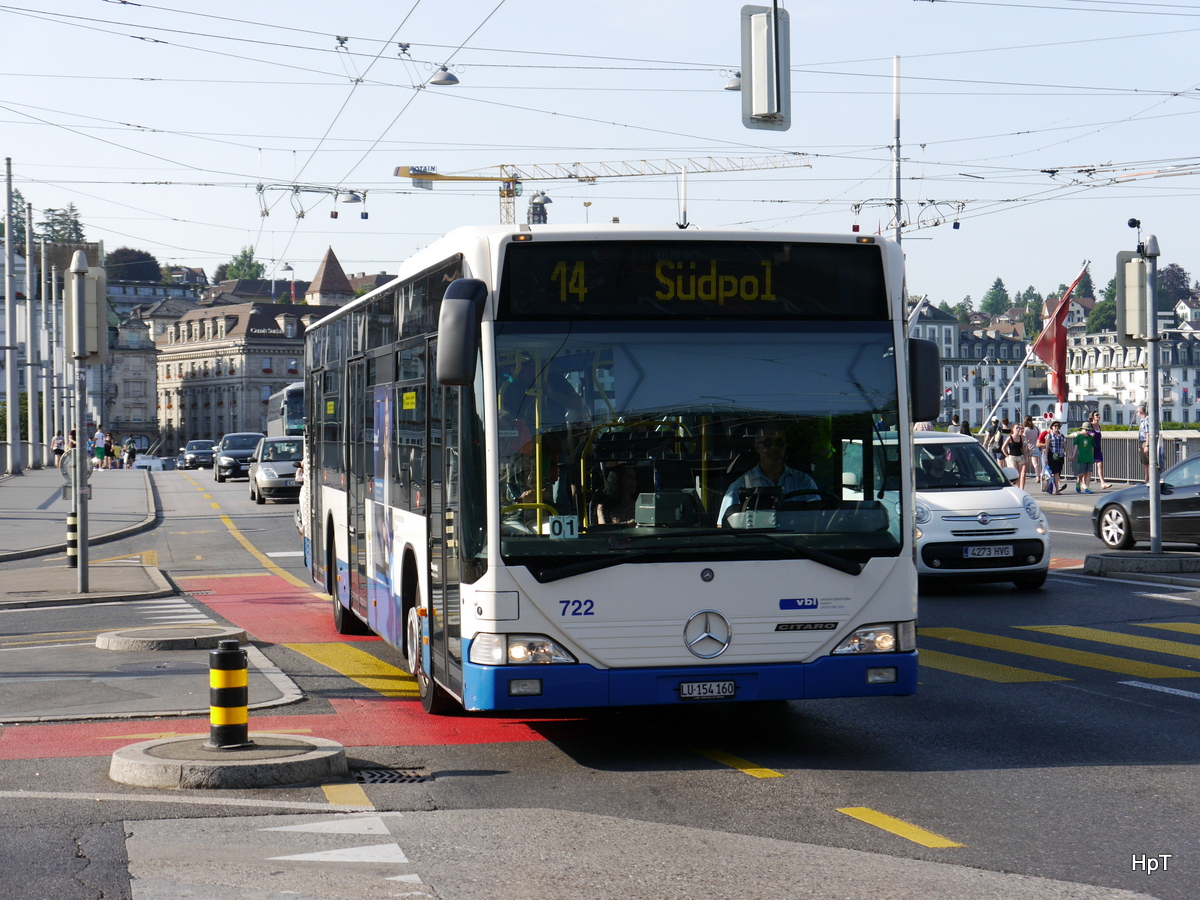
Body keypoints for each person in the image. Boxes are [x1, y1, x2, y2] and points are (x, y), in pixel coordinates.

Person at [719, 425, 817, 523]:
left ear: (785, 446)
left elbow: (817, 520)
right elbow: (724, 526)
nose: (774, 447)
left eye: (779, 442)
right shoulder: (739, 487)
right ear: (757, 447)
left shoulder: (804, 482)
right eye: (767, 443)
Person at [1040, 421, 1067, 494]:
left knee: (1058, 472)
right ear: (1052, 427)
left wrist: (1068, 454)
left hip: (1060, 456)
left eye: (1058, 426)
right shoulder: (1049, 436)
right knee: (1056, 472)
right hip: (1052, 455)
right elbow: (1047, 447)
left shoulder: (1061, 436)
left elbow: (1064, 446)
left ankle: (1057, 490)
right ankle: (1059, 485)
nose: (1056, 427)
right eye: (1055, 426)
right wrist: (1046, 458)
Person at [1086, 412, 1109, 490]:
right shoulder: (1090, 425)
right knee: (1088, 467)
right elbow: (1084, 433)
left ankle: (1102, 482)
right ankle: (1084, 483)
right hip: (1090, 449)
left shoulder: (1099, 426)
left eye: (1099, 415)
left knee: (1100, 465)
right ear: (1092, 417)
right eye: (1096, 415)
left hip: (1098, 448)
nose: (1098, 416)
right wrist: (1089, 434)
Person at [1002, 421, 1028, 489]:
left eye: (1019, 428)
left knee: (1019, 475)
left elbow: (1023, 449)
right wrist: (1007, 456)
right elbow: (1003, 448)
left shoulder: (1021, 438)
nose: (1018, 429)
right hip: (1012, 457)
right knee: (1015, 474)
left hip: (1020, 457)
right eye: (1017, 428)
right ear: (1013, 429)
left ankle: (1018, 488)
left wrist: (1025, 457)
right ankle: (1014, 487)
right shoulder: (1010, 438)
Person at [1070, 423, 1094, 493]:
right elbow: (1076, 447)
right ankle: (1078, 482)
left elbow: (1092, 447)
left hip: (1089, 457)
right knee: (1082, 473)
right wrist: (1073, 455)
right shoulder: (1079, 437)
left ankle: (1087, 487)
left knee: (1089, 472)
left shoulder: (1090, 438)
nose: (1087, 431)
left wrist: (1092, 456)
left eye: (1088, 430)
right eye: (1086, 430)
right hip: (1082, 457)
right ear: (1082, 429)